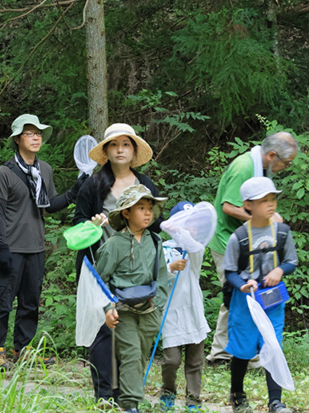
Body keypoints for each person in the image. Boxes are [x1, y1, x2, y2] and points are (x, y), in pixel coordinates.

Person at [0, 114, 86, 368]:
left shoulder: (44, 170)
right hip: (9, 249)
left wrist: (74, 192)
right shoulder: (4, 173)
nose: (36, 137)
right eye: (30, 133)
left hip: (36, 248)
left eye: (39, 133)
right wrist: (4, 248)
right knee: (2, 302)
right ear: (18, 139)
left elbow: (50, 205)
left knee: (30, 303)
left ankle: (23, 349)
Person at [73, 123, 162, 404]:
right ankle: (104, 394)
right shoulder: (94, 184)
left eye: (126, 144)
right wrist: (92, 225)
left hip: (135, 272)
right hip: (100, 267)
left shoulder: (146, 185)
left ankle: (127, 393)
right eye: (114, 145)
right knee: (104, 329)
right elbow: (76, 226)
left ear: (133, 150)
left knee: (132, 330)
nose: (120, 150)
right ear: (106, 151)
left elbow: (156, 227)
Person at [207, 132, 299, 364]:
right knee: (237, 296)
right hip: (230, 242)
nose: (286, 168)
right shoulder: (244, 167)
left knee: (251, 295)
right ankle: (224, 353)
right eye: (286, 163)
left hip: (254, 245)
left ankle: (240, 351)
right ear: (271, 155)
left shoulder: (260, 167)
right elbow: (228, 206)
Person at [223, 177, 297, 413]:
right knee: (243, 349)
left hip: (273, 299)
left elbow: (291, 262)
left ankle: (275, 401)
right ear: (248, 205)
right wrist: (242, 285)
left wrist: (279, 270)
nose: (270, 204)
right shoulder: (239, 237)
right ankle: (237, 396)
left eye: (272, 198)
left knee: (272, 347)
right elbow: (230, 272)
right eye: (263, 200)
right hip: (245, 301)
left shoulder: (283, 233)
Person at [95, 184, 168, 413]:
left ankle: (130, 397)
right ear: (126, 213)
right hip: (123, 311)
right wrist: (108, 307)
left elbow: (162, 276)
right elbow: (99, 280)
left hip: (149, 311)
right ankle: (130, 405)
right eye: (141, 208)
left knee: (141, 356)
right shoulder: (114, 245)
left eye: (150, 208)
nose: (148, 213)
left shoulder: (155, 242)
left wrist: (158, 305)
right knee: (131, 354)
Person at [159, 202, 210, 412]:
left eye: (195, 224)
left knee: (195, 360)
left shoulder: (196, 248)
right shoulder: (163, 248)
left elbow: (192, 245)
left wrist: (181, 231)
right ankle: (168, 391)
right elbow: (157, 277)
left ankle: (193, 400)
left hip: (193, 311)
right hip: (171, 312)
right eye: (187, 223)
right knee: (171, 359)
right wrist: (170, 268)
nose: (193, 228)